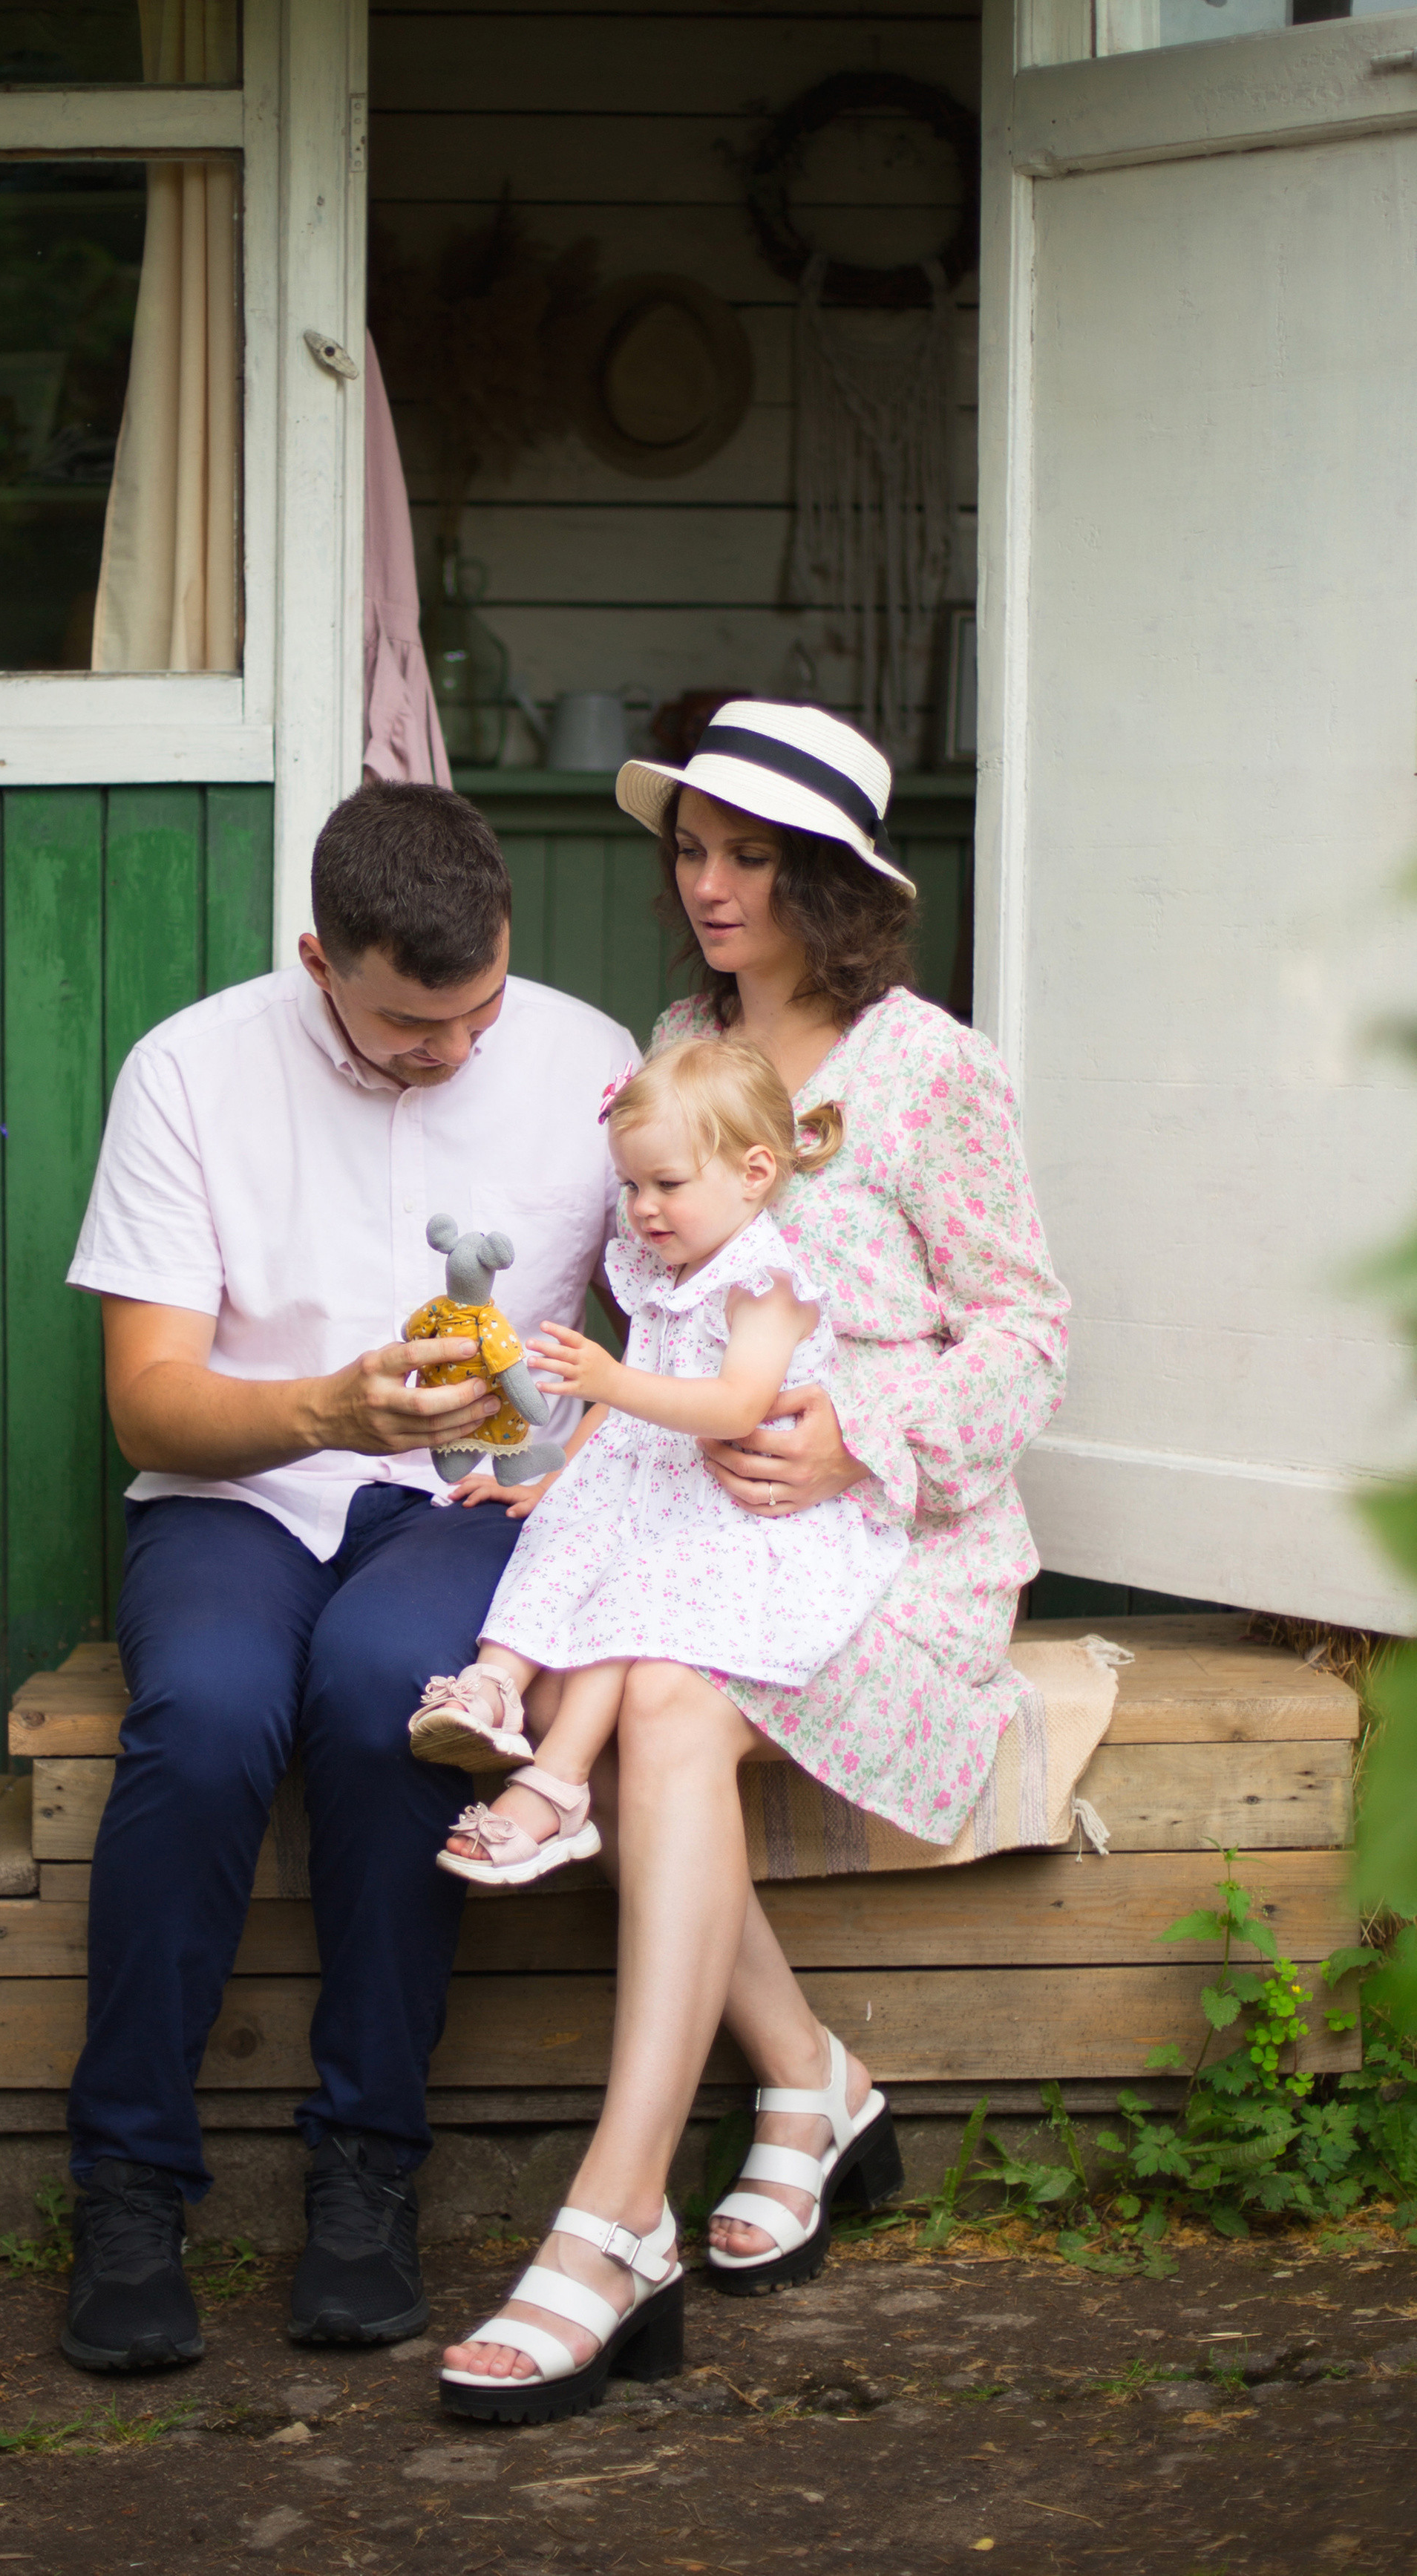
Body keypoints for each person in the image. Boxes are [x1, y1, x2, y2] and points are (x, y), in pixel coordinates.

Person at [438, 702, 1068, 2424]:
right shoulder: (682, 1040)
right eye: (691, 851)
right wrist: (563, 1453)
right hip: (693, 1508)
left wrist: (853, 1428)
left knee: (658, 1697)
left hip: (896, 1532)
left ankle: (612, 2214)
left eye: (747, 856)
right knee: (636, 1672)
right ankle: (800, 2078)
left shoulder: (929, 1067)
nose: (706, 884)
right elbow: (649, 1299)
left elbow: (1024, 1333)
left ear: (829, 879)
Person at [59, 781, 637, 2376]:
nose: (451, 1049)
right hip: (237, 1491)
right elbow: (146, 1401)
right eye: (406, 1023)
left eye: (477, 1011)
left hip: (477, 1503)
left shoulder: (589, 1063)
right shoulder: (190, 1070)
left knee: (398, 1695)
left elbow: (674, 1330)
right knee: (204, 1712)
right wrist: (326, 1409)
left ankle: (367, 2171)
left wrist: (571, 1454)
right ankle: (127, 2187)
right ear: (318, 957)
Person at [409, 1037, 907, 1891]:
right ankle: (491, 1684)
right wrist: (555, 1471)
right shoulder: (667, 1267)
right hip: (660, 1481)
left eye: (666, 1184)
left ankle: (556, 1785)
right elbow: (628, 1406)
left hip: (737, 1506)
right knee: (561, 1539)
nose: (643, 1208)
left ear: (754, 1173)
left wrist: (609, 1378)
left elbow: (735, 1404)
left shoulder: (766, 1284)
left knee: (634, 1592)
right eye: (631, 1185)